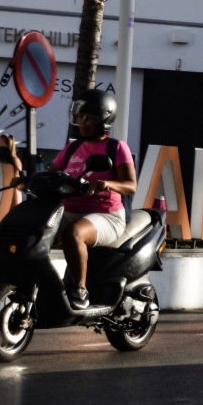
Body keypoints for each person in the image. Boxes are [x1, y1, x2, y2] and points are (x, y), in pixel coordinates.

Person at [49, 90, 137, 310]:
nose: (82, 122)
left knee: (74, 233)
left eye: (89, 118)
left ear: (104, 120)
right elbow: (50, 175)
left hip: (106, 214)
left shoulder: (116, 147)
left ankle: (80, 290)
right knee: (36, 231)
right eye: (81, 117)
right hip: (68, 211)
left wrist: (108, 184)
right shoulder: (73, 148)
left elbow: (130, 185)